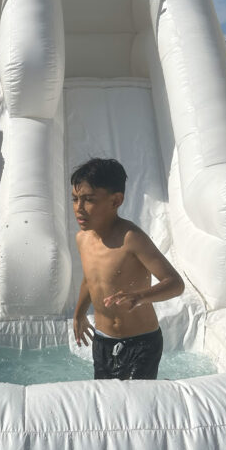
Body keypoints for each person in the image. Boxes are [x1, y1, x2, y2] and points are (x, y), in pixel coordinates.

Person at [71, 157, 184, 380]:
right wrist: (79, 315)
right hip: (103, 340)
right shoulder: (82, 239)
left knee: (134, 406)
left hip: (141, 342)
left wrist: (139, 297)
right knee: (107, 403)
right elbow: (90, 280)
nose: (79, 208)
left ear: (116, 201)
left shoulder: (131, 239)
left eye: (88, 200)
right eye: (75, 199)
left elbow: (175, 283)